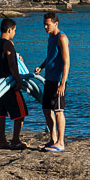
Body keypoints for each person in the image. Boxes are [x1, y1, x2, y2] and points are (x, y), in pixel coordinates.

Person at [35, 12, 70, 152]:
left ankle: (61, 143)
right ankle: (52, 139)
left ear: (56, 23)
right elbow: (50, 56)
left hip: (58, 81)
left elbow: (66, 62)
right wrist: (41, 66)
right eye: (44, 24)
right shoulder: (50, 37)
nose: (45, 27)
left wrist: (62, 83)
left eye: (47, 24)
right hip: (49, 79)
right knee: (46, 110)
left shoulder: (62, 38)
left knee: (58, 111)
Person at [0, 18, 28, 150]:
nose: (14, 33)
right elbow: (11, 64)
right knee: (21, 112)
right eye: (14, 30)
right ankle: (15, 140)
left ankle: (2, 141)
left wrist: (16, 56)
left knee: (1, 113)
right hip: (9, 84)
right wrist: (18, 79)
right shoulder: (8, 44)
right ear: (9, 29)